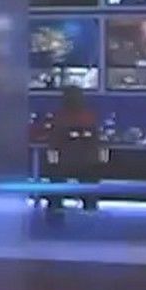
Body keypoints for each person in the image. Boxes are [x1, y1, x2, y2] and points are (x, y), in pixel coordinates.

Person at [47, 85, 101, 214]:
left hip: (64, 162)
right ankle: (90, 205)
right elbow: (96, 139)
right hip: (87, 162)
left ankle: (55, 205)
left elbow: (53, 141)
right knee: (91, 175)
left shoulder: (59, 117)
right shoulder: (89, 117)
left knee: (54, 173)